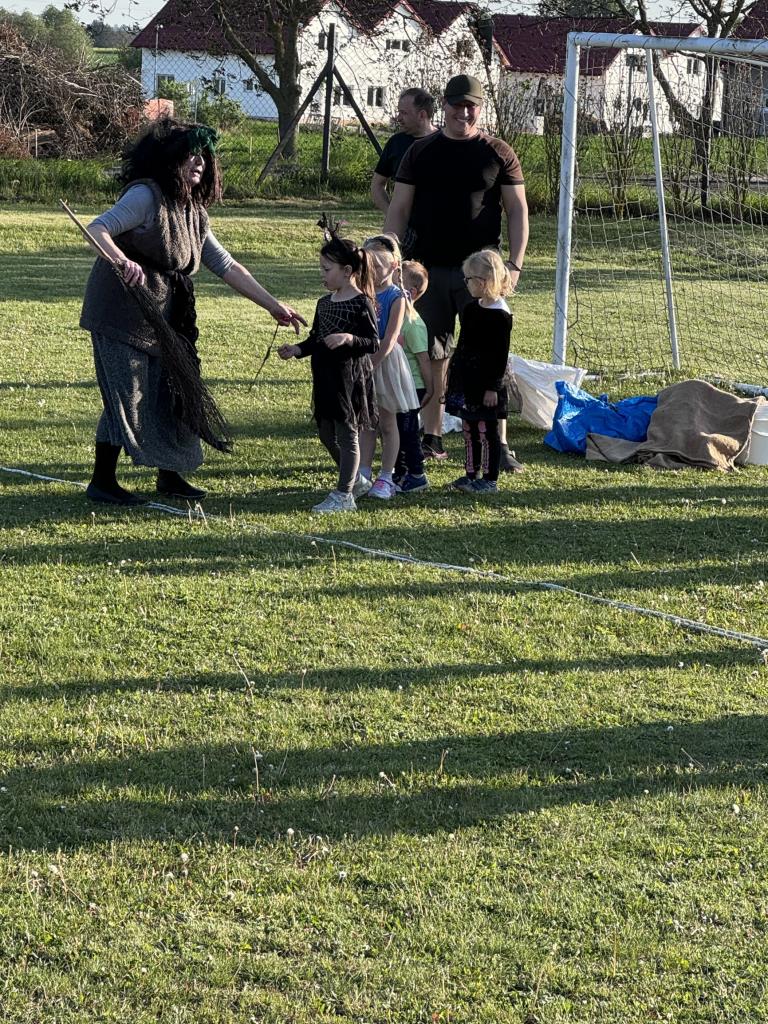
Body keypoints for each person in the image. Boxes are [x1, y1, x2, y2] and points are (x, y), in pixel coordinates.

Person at [80, 117, 304, 506]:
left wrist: (273, 306)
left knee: (173, 391)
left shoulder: (194, 211)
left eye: (204, 156)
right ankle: (103, 482)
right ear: (170, 160)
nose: (199, 162)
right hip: (120, 311)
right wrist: (121, 260)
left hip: (167, 315)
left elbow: (226, 265)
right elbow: (97, 229)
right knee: (127, 394)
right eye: (190, 155)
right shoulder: (145, 196)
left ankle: (170, 476)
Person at [383, 73, 529, 465]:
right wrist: (392, 261)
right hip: (428, 269)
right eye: (456, 105)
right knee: (432, 353)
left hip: (483, 273)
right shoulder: (420, 151)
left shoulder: (498, 152)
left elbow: (518, 211)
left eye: (470, 106)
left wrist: (514, 265)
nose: (463, 112)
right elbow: (398, 209)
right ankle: (432, 437)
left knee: (488, 355)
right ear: (444, 106)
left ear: (480, 108)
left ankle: (497, 443)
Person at [277, 233, 378, 514]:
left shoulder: (361, 303)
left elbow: (373, 342)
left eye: (326, 269)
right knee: (325, 433)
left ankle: (344, 495)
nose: (322, 274)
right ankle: (356, 480)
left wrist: (349, 338)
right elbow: (316, 339)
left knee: (347, 434)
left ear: (347, 271)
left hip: (349, 380)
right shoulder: (324, 303)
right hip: (325, 377)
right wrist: (297, 349)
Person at [445, 249, 516, 494]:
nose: (465, 284)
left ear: (483, 281)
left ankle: (489, 478)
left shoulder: (500, 315)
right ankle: (470, 473)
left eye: (468, 279)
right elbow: (464, 343)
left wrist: (493, 387)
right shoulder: (471, 308)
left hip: (487, 383)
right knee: (469, 429)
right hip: (468, 379)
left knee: (487, 431)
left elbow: (499, 356)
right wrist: (454, 375)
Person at [358, 234, 419, 501]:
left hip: (385, 362)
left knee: (387, 422)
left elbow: (391, 337)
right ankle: (362, 472)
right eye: (368, 266)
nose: (372, 271)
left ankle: (386, 476)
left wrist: (373, 363)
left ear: (394, 266)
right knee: (366, 422)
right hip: (364, 358)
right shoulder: (363, 291)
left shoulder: (396, 296)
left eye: (378, 266)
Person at [394, 259, 432, 493]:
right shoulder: (395, 318)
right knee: (395, 430)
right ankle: (399, 472)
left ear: (411, 292)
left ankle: (417, 474)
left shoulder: (413, 323)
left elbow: (423, 359)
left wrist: (430, 387)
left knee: (408, 431)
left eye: (396, 283)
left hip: (413, 386)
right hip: (397, 384)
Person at [370, 88, 436, 218]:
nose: (398, 118)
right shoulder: (396, 143)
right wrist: (392, 215)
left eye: (403, 113)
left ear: (422, 115)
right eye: (398, 112)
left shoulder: (444, 143)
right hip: (404, 226)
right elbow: (377, 185)